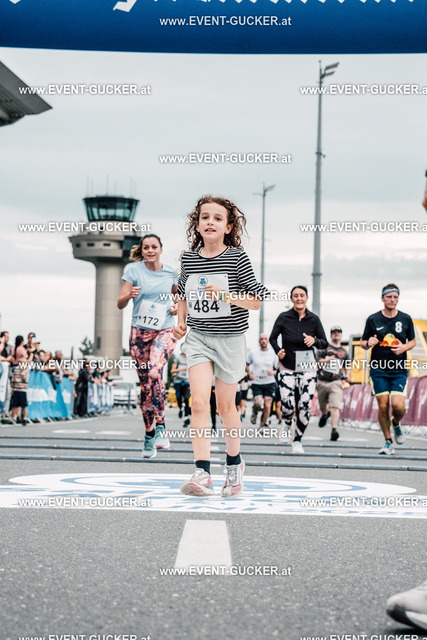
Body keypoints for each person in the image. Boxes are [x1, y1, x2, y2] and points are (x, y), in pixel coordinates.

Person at [174, 194, 268, 497]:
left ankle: (234, 464)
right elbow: (183, 295)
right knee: (199, 403)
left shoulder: (237, 258)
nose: (210, 222)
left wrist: (226, 296)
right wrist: (181, 322)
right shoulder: (189, 259)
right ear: (197, 225)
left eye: (217, 218)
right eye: (205, 217)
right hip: (199, 338)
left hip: (230, 340)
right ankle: (202, 472)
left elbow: (256, 300)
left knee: (226, 406)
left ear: (228, 227)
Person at [117, 234, 178, 458]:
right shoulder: (133, 271)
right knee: (145, 386)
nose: (150, 250)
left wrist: (176, 307)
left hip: (165, 329)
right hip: (139, 333)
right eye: (146, 247)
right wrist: (129, 295)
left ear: (161, 249)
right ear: (142, 251)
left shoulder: (171, 272)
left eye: (154, 247)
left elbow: (181, 297)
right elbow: (120, 303)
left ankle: (161, 425)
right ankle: (149, 433)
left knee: (154, 371)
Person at [270, 286, 328, 454]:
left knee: (305, 404)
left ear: (307, 298)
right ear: (291, 298)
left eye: (302, 295)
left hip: (307, 367)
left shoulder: (314, 319)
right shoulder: (284, 317)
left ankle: (297, 440)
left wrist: (314, 341)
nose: (299, 298)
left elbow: (324, 342)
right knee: (287, 404)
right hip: (286, 366)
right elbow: (273, 338)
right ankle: (287, 422)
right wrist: (278, 350)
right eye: (296, 296)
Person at [360, 284, 416, 455]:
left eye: (395, 297)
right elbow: (363, 342)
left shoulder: (406, 318)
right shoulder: (373, 319)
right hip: (378, 369)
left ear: (398, 299)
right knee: (383, 405)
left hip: (398, 369)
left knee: (398, 406)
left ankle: (396, 423)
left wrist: (404, 347)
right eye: (389, 297)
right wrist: (368, 343)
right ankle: (388, 442)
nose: (392, 300)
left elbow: (413, 341)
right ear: (382, 298)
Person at [316, 326, 350, 441]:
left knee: (335, 406)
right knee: (322, 405)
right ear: (331, 335)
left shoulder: (344, 352)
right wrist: (326, 361)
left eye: (338, 332)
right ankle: (325, 414)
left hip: (336, 381)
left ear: (341, 334)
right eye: (334, 332)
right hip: (322, 380)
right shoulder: (324, 347)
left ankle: (334, 430)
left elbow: (348, 365)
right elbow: (316, 360)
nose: (336, 334)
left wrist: (347, 375)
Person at [247, 334, 278, 433]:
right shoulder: (253, 353)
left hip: (269, 382)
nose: (263, 341)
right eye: (261, 339)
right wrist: (249, 374)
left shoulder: (273, 354)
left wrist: (273, 372)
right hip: (257, 382)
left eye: (265, 339)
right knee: (259, 404)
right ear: (259, 341)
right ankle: (255, 411)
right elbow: (246, 365)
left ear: (268, 341)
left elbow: (278, 369)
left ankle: (262, 425)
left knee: (267, 406)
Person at [171, 348, 191, 427]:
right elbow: (172, 370)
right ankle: (180, 408)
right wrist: (181, 369)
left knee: (186, 398)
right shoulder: (178, 358)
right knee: (178, 397)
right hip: (178, 382)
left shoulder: (190, 358)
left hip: (186, 382)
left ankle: (186, 417)